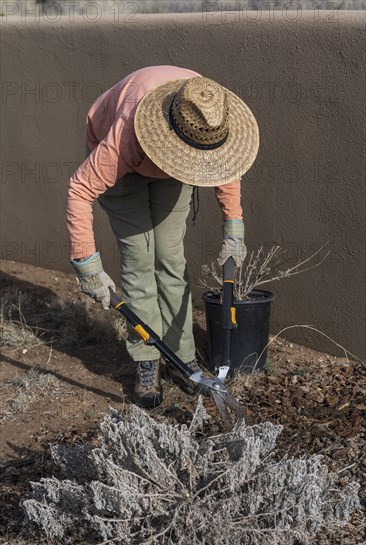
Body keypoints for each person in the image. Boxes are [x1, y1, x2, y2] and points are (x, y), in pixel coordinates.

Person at [67, 65, 259, 408]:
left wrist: (234, 226)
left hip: (175, 163)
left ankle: (182, 359)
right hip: (127, 168)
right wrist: (88, 265)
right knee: (140, 257)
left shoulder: (210, 114)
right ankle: (147, 359)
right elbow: (79, 190)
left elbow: (224, 164)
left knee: (169, 256)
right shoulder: (125, 136)